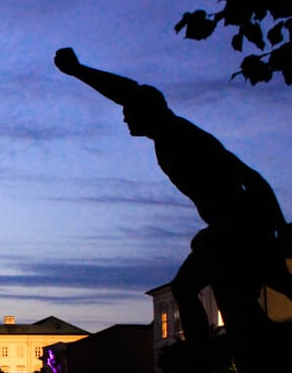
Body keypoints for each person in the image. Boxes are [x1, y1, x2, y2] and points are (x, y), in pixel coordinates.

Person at [54, 47, 291, 352]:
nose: (124, 117)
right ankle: (219, 357)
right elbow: (126, 93)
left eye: (130, 112)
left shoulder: (180, 136)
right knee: (238, 292)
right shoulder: (167, 135)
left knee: (213, 290)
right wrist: (78, 71)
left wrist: (278, 227)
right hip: (230, 227)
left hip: (240, 227)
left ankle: (205, 359)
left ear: (146, 112)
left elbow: (250, 176)